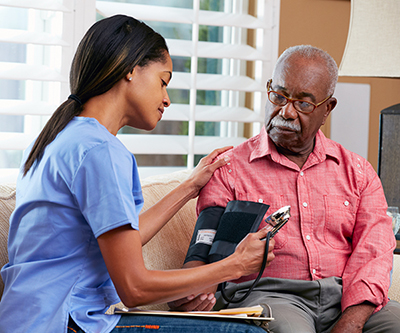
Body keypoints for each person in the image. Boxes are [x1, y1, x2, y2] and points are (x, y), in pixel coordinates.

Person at [0, 15, 275, 333]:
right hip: (68, 323)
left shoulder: (55, 139)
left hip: (25, 318)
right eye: (163, 81)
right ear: (130, 69)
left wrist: (189, 186)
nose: (167, 99)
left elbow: (119, 241)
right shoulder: (100, 151)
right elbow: (134, 288)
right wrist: (234, 265)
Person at [170, 45, 400, 333]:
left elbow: (374, 252)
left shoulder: (357, 172)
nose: (286, 112)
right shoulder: (229, 169)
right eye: (278, 96)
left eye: (303, 103)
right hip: (272, 297)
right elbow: (203, 250)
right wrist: (189, 288)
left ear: (327, 109)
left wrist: (351, 322)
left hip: (345, 298)